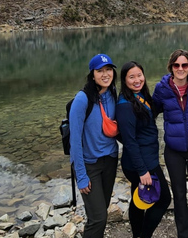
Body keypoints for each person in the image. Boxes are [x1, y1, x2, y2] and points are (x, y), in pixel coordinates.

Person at [152, 50, 188, 238]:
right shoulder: (162, 89)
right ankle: (184, 235)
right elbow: (150, 114)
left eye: (184, 65)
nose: (180, 69)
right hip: (174, 150)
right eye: (176, 65)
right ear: (171, 67)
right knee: (178, 195)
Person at [116, 61, 172, 238]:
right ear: (124, 80)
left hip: (142, 160)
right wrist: (143, 170)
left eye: (139, 75)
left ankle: (137, 234)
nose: (137, 80)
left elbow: (149, 114)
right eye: (131, 77)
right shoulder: (125, 105)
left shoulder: (139, 97)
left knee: (138, 198)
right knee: (163, 200)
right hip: (142, 163)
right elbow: (130, 141)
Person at [69, 54, 120, 238]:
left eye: (108, 70)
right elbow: (74, 141)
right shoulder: (82, 99)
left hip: (110, 161)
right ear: (92, 75)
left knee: (100, 212)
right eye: (100, 71)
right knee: (99, 218)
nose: (105, 74)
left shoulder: (112, 93)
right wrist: (81, 175)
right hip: (90, 165)